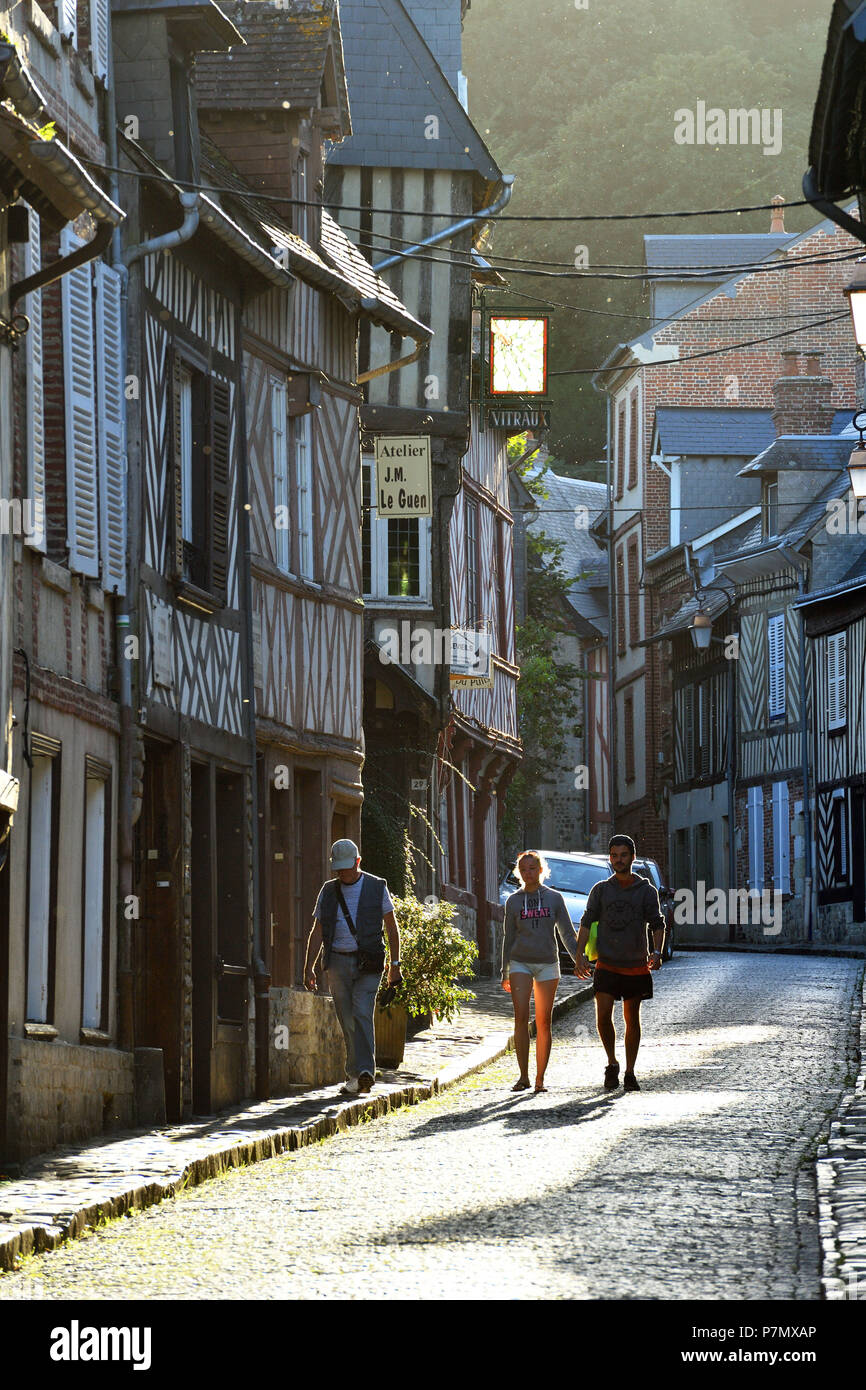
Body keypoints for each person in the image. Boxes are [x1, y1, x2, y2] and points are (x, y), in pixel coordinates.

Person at [303, 839, 402, 1097]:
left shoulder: (377, 886)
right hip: (336, 962)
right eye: (339, 869)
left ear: (358, 862)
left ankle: (365, 1071)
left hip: (369, 962)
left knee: (361, 1012)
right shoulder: (327, 891)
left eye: (347, 868)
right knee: (347, 1020)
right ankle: (354, 1076)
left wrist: (395, 964)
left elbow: (391, 927)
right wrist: (308, 967)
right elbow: (318, 931)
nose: (343, 873)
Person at [574, 834, 665, 1092]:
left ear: (632, 858)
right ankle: (612, 1062)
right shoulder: (601, 890)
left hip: (635, 964)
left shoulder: (646, 891)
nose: (618, 860)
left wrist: (657, 952)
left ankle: (630, 1071)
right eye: (614, 855)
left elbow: (658, 923)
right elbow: (586, 922)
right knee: (603, 1015)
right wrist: (579, 955)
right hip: (606, 963)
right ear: (610, 858)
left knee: (631, 1018)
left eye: (623, 855)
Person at [501, 850, 580, 1093]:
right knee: (521, 1017)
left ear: (541, 871)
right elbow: (508, 937)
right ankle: (523, 1076)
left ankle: (540, 1079)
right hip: (520, 963)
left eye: (532, 868)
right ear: (518, 873)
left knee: (544, 1021)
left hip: (547, 963)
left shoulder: (555, 898)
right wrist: (504, 971)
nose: (528, 873)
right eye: (523, 869)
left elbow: (567, 932)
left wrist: (580, 959)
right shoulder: (513, 901)